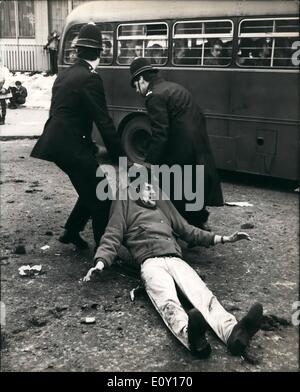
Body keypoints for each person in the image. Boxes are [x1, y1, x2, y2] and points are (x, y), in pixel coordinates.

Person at [83, 182, 263, 359]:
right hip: (150, 263)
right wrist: (101, 262)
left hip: (175, 259)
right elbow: (112, 235)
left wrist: (224, 238)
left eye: (153, 188)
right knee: (167, 302)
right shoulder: (125, 203)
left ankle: (234, 333)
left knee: (203, 295)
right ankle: (193, 339)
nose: (153, 192)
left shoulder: (162, 205)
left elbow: (189, 231)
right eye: (147, 189)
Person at [31, 23, 123, 248]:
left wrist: (86, 144)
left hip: (57, 144)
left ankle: (71, 231)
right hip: (71, 147)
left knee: (89, 186)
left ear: (78, 50)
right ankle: (104, 251)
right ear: (99, 53)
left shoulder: (65, 74)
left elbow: (64, 113)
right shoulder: (91, 78)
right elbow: (104, 121)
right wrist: (120, 157)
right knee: (102, 197)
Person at [129, 57, 224, 231]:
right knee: (191, 188)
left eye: (136, 86)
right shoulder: (175, 87)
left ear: (141, 79)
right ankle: (199, 223)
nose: (137, 91)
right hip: (196, 146)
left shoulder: (154, 96)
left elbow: (160, 133)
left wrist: (149, 163)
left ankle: (180, 230)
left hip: (179, 150)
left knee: (172, 191)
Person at [0, 59, 11, 125]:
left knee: (3, 104)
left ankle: (3, 119)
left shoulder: (4, 69)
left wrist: (4, 88)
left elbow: (8, 79)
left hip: (2, 87)